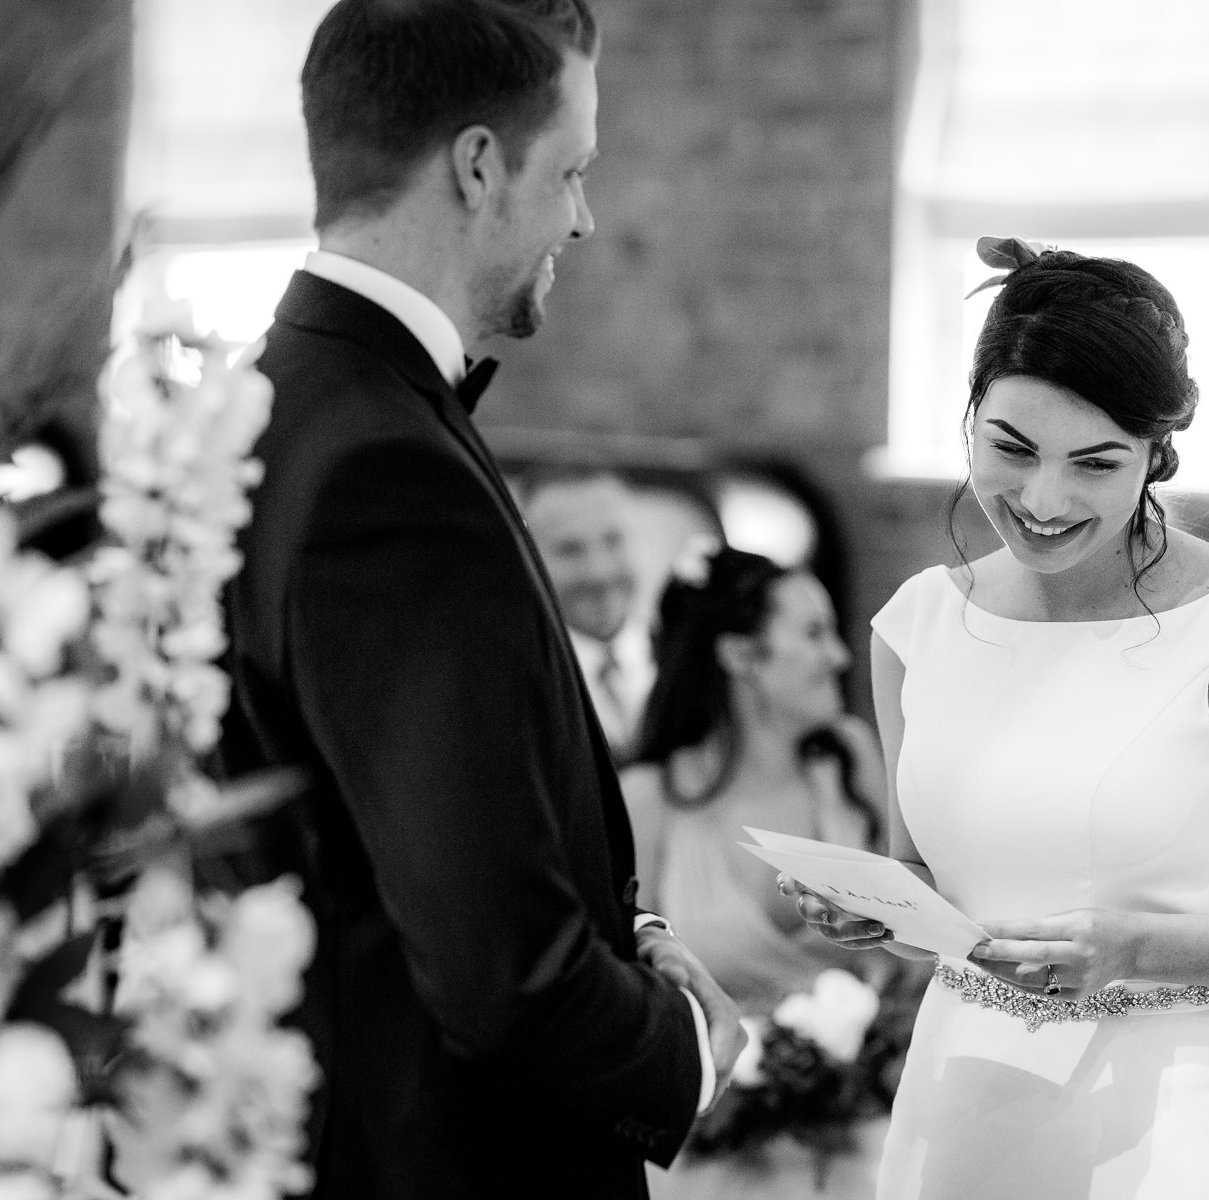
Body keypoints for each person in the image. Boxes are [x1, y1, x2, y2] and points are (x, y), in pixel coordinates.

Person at [218, 3, 743, 1197]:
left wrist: (635, 943)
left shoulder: (281, 398)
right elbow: (502, 974)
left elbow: (400, 831)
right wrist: (689, 1050)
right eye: (572, 170)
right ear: (477, 165)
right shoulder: (382, 468)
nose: (583, 216)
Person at [787, 237, 1209, 1197]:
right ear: (972, 415)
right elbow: (931, 889)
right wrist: (876, 905)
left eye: (1096, 464)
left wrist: (1134, 948)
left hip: (1156, 1110)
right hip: (957, 1104)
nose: (1043, 500)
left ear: (1158, 455)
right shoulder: (916, 625)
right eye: (1011, 449)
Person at [620, 544, 902, 1198]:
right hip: (714, 1155)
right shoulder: (648, 801)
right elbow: (632, 995)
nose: (837, 657)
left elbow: (917, 941)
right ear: (742, 657)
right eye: (813, 634)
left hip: (861, 1141)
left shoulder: (851, 764)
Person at [525, 469, 657, 762]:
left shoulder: (699, 662)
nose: (599, 572)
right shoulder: (517, 689)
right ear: (530, 561)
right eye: (569, 550)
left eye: (614, 541)